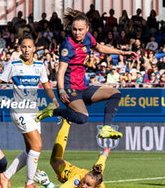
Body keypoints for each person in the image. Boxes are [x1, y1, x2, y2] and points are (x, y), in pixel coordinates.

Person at [36, 9, 137, 139]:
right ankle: (53, 111)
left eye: (80, 30)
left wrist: (122, 53)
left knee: (115, 93)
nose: (77, 33)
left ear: (87, 28)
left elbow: (100, 48)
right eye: (74, 29)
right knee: (83, 118)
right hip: (69, 88)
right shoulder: (68, 45)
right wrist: (61, 90)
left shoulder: (88, 37)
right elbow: (60, 71)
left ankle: (106, 128)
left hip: (82, 87)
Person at [0, 36, 59, 188]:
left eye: (29, 46)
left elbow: (46, 85)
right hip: (20, 110)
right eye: (24, 47)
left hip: (34, 111)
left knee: (30, 150)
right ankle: (29, 184)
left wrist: (54, 99)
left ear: (34, 48)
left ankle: (5, 176)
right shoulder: (13, 65)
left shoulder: (40, 65)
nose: (27, 49)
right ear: (20, 49)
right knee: (37, 146)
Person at [34, 120, 110, 188]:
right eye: (84, 182)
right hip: (72, 173)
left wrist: (48, 185)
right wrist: (105, 154)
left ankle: (45, 181)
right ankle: (66, 122)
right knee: (55, 159)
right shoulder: (80, 177)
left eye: (88, 185)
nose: (84, 186)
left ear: (96, 187)